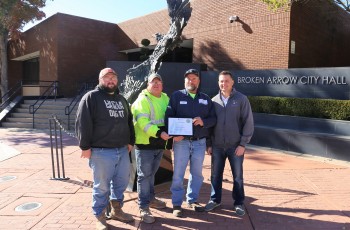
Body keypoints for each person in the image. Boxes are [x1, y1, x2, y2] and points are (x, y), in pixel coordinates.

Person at [75, 67, 135, 230]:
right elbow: (83, 123)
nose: (111, 80)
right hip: (101, 152)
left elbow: (129, 121)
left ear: (117, 80)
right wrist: (85, 147)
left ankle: (117, 210)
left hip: (122, 150)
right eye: (106, 77)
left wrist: (131, 141)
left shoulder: (122, 99)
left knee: (121, 183)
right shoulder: (91, 97)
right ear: (100, 80)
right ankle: (100, 216)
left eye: (113, 77)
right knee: (101, 186)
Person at [165, 68, 216, 217]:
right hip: (182, 143)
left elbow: (213, 119)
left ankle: (192, 200)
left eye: (194, 78)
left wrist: (203, 122)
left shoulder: (206, 99)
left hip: (200, 143)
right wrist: (175, 134)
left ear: (198, 81)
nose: (190, 81)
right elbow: (168, 117)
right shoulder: (176, 96)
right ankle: (176, 204)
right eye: (188, 78)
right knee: (178, 174)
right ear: (184, 80)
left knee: (197, 174)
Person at [204, 70, 254, 216]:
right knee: (215, 175)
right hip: (217, 146)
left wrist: (243, 144)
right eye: (221, 81)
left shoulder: (241, 99)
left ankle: (238, 203)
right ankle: (215, 200)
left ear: (232, 82)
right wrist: (209, 144)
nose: (223, 84)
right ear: (218, 83)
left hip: (235, 146)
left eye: (226, 81)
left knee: (237, 176)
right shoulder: (213, 101)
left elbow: (248, 122)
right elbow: (209, 125)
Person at [131, 73, 172, 224]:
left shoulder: (165, 98)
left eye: (158, 82)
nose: (156, 84)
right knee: (143, 176)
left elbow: (171, 117)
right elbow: (143, 122)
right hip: (145, 144)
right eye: (153, 82)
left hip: (159, 144)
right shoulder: (143, 100)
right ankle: (144, 207)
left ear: (162, 85)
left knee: (152, 174)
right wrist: (159, 132)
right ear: (147, 85)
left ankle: (151, 199)